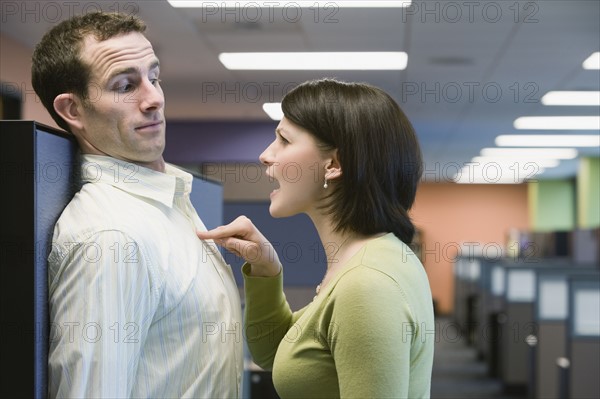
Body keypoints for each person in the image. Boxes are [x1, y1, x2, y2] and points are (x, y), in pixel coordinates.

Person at [32, 12, 242, 398]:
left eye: (154, 77)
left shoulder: (166, 201)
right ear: (72, 110)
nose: (154, 98)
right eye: (126, 85)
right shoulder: (111, 237)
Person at [198, 78, 435, 398]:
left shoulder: (366, 284)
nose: (266, 155)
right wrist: (266, 270)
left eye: (283, 139)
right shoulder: (378, 256)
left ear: (333, 164)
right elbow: (277, 354)